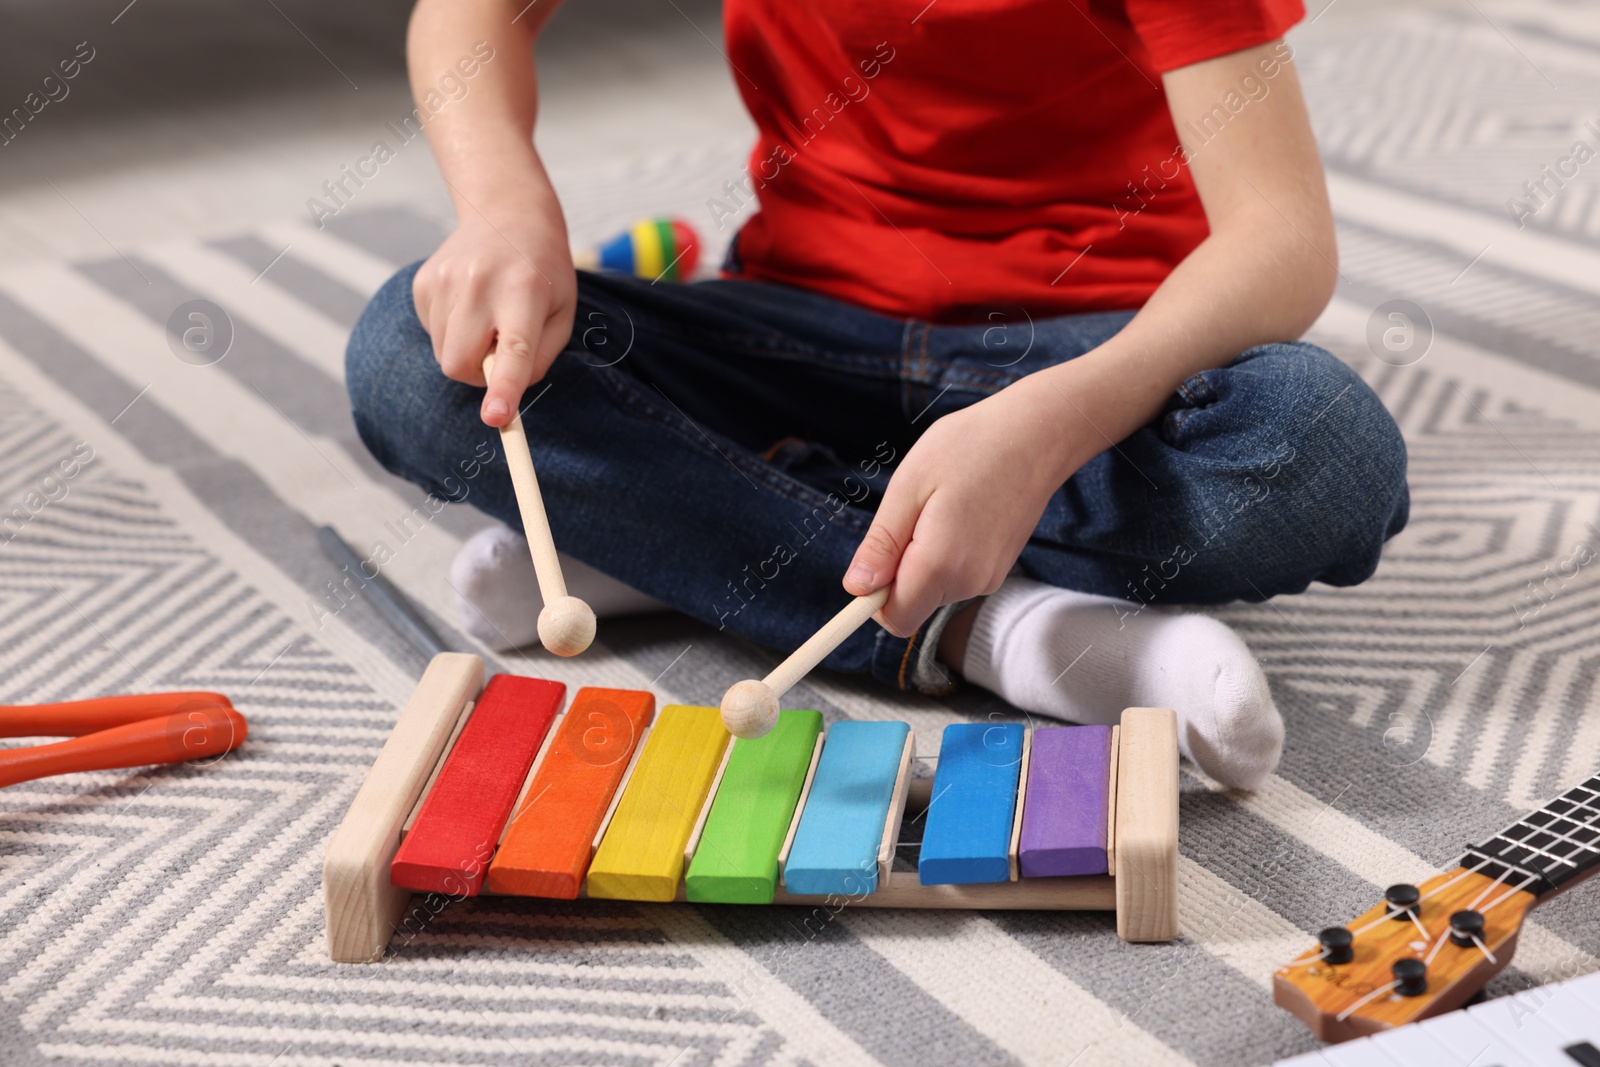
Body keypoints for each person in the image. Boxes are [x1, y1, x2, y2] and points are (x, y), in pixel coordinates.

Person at [346, 0, 1410, 790]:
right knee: (409, 351)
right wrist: (502, 204)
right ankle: (989, 630)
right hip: (791, 329)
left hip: (1086, 351)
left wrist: (1050, 427)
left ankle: (687, 537)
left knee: (1320, 447)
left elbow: (1282, 237)